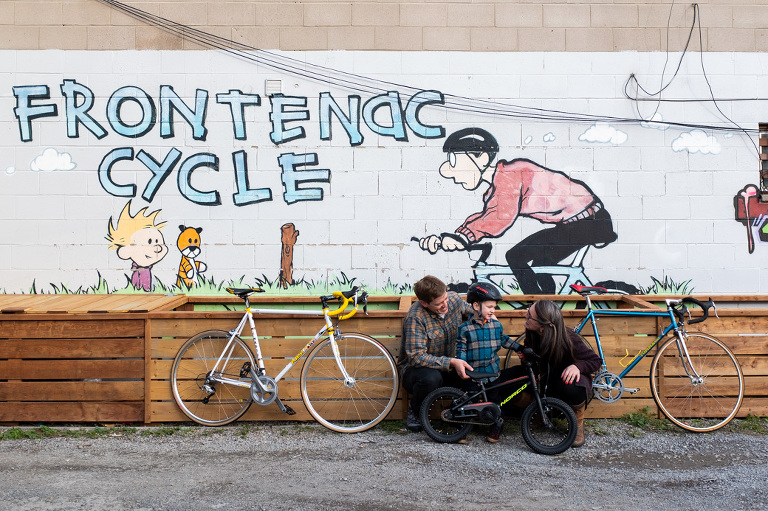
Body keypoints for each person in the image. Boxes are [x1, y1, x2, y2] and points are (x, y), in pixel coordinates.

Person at [418, 127, 617, 294]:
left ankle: (536, 306)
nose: (451, 170)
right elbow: (485, 216)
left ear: (482, 157)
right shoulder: (497, 188)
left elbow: (499, 218)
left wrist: (464, 238)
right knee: (540, 263)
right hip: (577, 222)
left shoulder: (510, 174)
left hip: (589, 222)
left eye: (454, 161)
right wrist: (456, 237)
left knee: (516, 257)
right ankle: (549, 305)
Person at [510, 299, 602, 447]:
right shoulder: (532, 333)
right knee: (511, 380)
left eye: (529, 316)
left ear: (543, 325)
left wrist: (578, 367)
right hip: (546, 384)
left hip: (566, 383)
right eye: (528, 313)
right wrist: (527, 359)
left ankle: (576, 421)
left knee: (570, 385)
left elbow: (596, 361)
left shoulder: (568, 337)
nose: (525, 317)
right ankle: (541, 412)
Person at [398, 275, 474, 433]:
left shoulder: (454, 299)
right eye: (439, 304)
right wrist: (451, 362)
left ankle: (456, 411)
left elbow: (472, 312)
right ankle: (415, 410)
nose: (445, 305)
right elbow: (416, 358)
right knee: (431, 378)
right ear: (424, 303)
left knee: (474, 367)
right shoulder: (415, 317)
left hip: (451, 366)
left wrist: (485, 315)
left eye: (445, 299)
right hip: (417, 372)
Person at [456, 282, 522, 443]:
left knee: (495, 401)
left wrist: (520, 348)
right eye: (490, 306)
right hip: (472, 373)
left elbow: (504, 340)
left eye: (494, 307)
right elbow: (461, 349)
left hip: (492, 373)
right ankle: (463, 427)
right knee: (469, 400)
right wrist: (462, 366)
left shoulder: (496, 325)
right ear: (476, 305)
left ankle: (496, 426)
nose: (493, 310)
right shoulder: (465, 329)